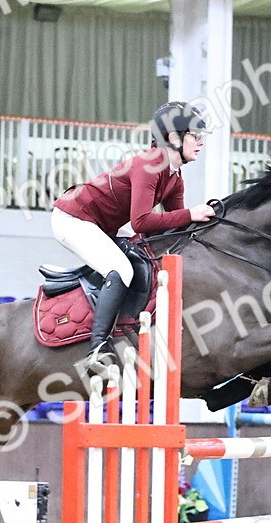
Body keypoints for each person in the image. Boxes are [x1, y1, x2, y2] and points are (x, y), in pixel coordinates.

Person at [52, 101, 215, 378]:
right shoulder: (148, 165)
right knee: (121, 269)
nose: (200, 142)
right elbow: (140, 222)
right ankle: (97, 349)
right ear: (174, 138)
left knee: (147, 256)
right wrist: (191, 214)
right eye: (195, 135)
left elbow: (173, 229)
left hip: (100, 225)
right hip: (73, 218)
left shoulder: (175, 178)